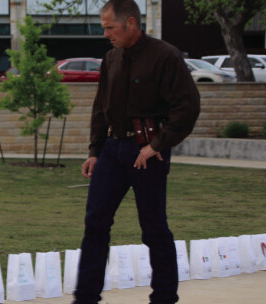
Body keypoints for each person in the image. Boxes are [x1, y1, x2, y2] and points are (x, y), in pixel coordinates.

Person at [73, 1, 200, 304]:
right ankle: (86, 298)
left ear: (130, 23)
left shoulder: (165, 56)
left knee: (154, 229)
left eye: (109, 27)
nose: (105, 33)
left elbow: (187, 106)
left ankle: (164, 298)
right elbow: (100, 108)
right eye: (103, 27)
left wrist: (157, 145)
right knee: (95, 223)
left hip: (148, 153)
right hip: (113, 151)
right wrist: (95, 150)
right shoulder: (111, 58)